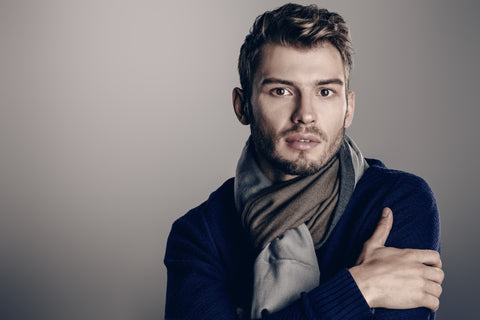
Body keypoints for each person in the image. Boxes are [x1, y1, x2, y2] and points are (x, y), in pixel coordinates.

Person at [164, 3, 444, 319]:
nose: (305, 115)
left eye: (325, 92)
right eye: (281, 91)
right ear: (243, 106)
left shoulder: (397, 203)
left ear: (348, 108)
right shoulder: (200, 235)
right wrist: (360, 288)